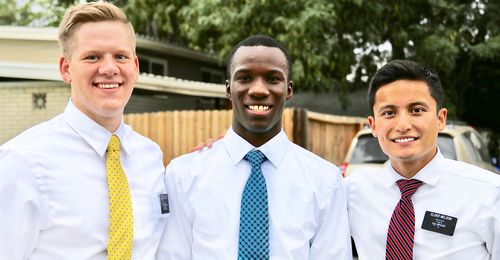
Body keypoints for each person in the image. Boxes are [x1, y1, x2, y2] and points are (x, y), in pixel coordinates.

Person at [156, 35, 352, 259]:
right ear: (228, 89)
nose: (258, 89)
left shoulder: (325, 181)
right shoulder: (183, 175)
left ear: (288, 90)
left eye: (272, 79)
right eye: (245, 77)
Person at [0, 2, 168, 259]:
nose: (110, 68)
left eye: (120, 56)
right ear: (66, 69)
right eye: (93, 56)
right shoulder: (22, 162)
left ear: (135, 66)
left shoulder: (151, 157)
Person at [347, 60, 500, 259]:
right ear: (373, 125)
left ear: (440, 119)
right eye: (389, 113)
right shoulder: (352, 192)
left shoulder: (488, 194)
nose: (402, 125)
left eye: (416, 110)